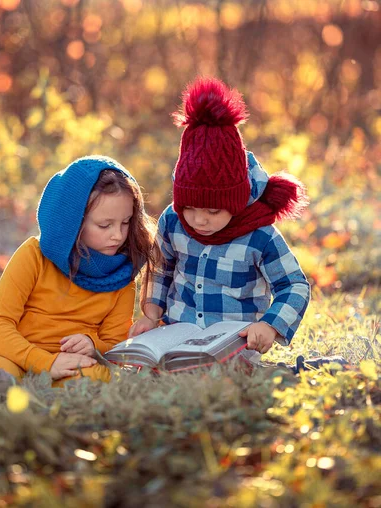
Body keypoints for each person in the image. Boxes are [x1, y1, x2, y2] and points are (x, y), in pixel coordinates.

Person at [130, 77, 310, 357]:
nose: (199, 220)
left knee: (222, 375)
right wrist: (151, 316)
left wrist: (270, 326)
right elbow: (161, 269)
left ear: (234, 202)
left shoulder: (259, 235)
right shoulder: (173, 222)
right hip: (178, 334)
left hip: (235, 343)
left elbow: (294, 285)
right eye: (189, 208)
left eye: (213, 211)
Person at [0, 155, 158, 386]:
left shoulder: (122, 273)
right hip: (13, 354)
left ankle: (54, 391)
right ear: (73, 223)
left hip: (73, 363)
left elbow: (114, 344)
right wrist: (44, 363)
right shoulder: (33, 255)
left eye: (126, 222)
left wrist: (92, 345)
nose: (118, 235)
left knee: (92, 381)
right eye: (104, 225)